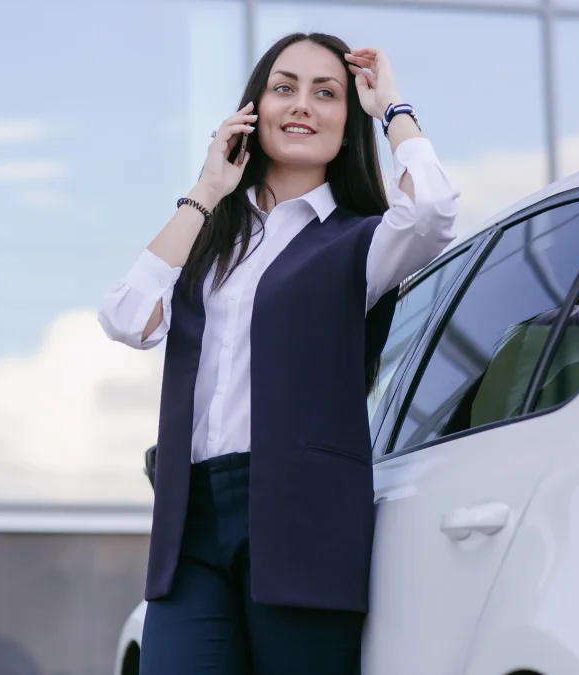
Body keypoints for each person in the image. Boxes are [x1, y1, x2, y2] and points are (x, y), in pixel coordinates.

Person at [98, 32, 459, 675]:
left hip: (304, 518)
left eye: (327, 93)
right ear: (252, 110)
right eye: (283, 87)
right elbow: (126, 318)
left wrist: (394, 110)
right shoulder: (210, 243)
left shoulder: (364, 242)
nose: (302, 105)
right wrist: (207, 190)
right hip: (195, 521)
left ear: (348, 121)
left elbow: (431, 210)